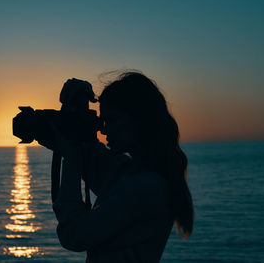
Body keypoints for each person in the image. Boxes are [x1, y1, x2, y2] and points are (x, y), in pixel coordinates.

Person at [45, 71, 194, 262]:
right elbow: (87, 154)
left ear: (139, 121)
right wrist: (76, 108)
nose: (103, 129)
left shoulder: (145, 186)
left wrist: (72, 159)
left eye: (111, 120)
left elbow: (75, 235)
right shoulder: (130, 172)